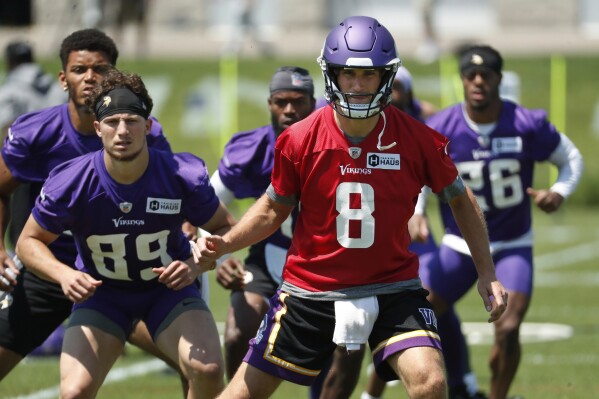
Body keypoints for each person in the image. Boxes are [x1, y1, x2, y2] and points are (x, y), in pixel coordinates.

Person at [192, 16, 508, 399]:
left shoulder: (417, 139)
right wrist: (226, 243)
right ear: (331, 75)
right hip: (311, 288)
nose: (357, 87)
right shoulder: (299, 138)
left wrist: (486, 272)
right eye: (348, 74)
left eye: (368, 75)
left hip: (393, 286)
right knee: (242, 393)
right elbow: (272, 208)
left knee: (431, 382)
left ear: (387, 78)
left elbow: (460, 197)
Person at [16, 69, 233, 398]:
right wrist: (63, 274)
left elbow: (225, 226)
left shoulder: (181, 174)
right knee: (74, 392)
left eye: (132, 120)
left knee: (208, 370)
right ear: (97, 128)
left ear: (147, 126)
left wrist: (196, 263)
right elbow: (28, 241)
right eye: (113, 121)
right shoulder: (71, 181)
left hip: (166, 292)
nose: (122, 131)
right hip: (102, 296)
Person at [0, 29, 191, 391]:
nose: (90, 78)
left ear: (115, 76)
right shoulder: (36, 133)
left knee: (197, 364)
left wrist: (187, 233)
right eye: (79, 69)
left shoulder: (143, 134)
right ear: (63, 78)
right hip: (49, 271)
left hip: (121, 276)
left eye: (100, 69)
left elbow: (172, 192)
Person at [418, 45, 583, 399]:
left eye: (486, 75)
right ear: (462, 80)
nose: (478, 81)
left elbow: (570, 157)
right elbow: (418, 173)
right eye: (471, 75)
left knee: (507, 329)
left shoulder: (525, 123)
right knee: (417, 315)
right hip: (458, 244)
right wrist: (417, 212)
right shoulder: (441, 127)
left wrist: (560, 190)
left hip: (511, 244)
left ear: (498, 79)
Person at [210, 65, 317, 380]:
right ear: (269, 103)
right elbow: (203, 208)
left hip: (323, 265)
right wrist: (224, 259)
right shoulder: (253, 150)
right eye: (281, 101)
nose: (289, 110)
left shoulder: (336, 145)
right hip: (268, 260)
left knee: (335, 352)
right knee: (235, 336)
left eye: (298, 101)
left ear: (313, 103)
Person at [0, 40, 66, 140]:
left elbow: (8, 136)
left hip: (28, 152)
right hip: (66, 150)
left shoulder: (8, 92)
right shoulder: (60, 87)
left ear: (10, 62)